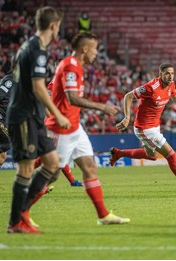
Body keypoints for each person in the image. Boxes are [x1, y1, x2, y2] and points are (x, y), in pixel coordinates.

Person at [44, 31, 130, 225]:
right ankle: (20, 212)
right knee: (52, 174)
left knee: (90, 167)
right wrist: (103, 107)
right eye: (95, 49)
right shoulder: (70, 66)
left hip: (75, 126)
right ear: (84, 48)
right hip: (62, 126)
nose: (96, 53)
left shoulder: (78, 67)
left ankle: (103, 216)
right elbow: (72, 98)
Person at [6, 6, 71, 234]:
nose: (58, 31)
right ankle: (15, 222)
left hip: (32, 116)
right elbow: (38, 87)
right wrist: (56, 113)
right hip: (23, 116)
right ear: (53, 26)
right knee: (25, 169)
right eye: (58, 27)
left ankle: (21, 212)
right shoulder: (37, 50)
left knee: (53, 164)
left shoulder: (28, 46)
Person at [110, 63, 176, 191]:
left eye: (172, 73)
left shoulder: (171, 84)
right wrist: (127, 117)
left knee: (152, 155)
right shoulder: (151, 87)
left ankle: (119, 153)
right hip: (144, 128)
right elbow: (128, 96)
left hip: (155, 126)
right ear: (160, 74)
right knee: (171, 155)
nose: (170, 76)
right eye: (167, 73)